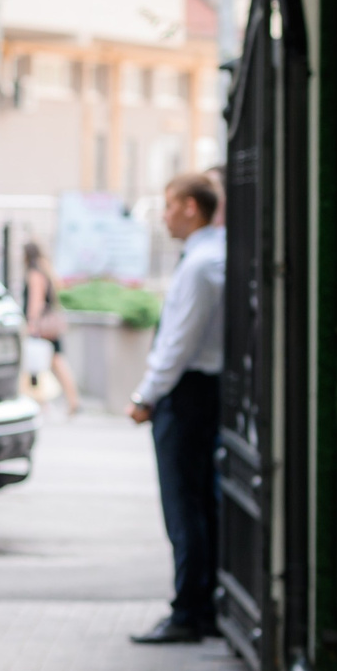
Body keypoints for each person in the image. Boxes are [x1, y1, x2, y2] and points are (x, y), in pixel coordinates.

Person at [128, 171, 226, 645]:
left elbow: (176, 344)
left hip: (186, 396)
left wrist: (145, 395)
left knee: (184, 505)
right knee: (199, 503)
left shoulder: (201, 265)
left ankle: (190, 610)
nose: (164, 215)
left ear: (192, 207)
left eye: (169, 205)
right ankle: (201, 604)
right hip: (201, 392)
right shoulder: (212, 256)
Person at [21, 240, 79, 416]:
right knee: (55, 363)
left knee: (40, 364)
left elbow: (35, 303)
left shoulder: (35, 274)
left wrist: (32, 325)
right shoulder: (44, 270)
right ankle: (70, 401)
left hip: (41, 328)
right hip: (48, 327)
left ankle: (47, 401)